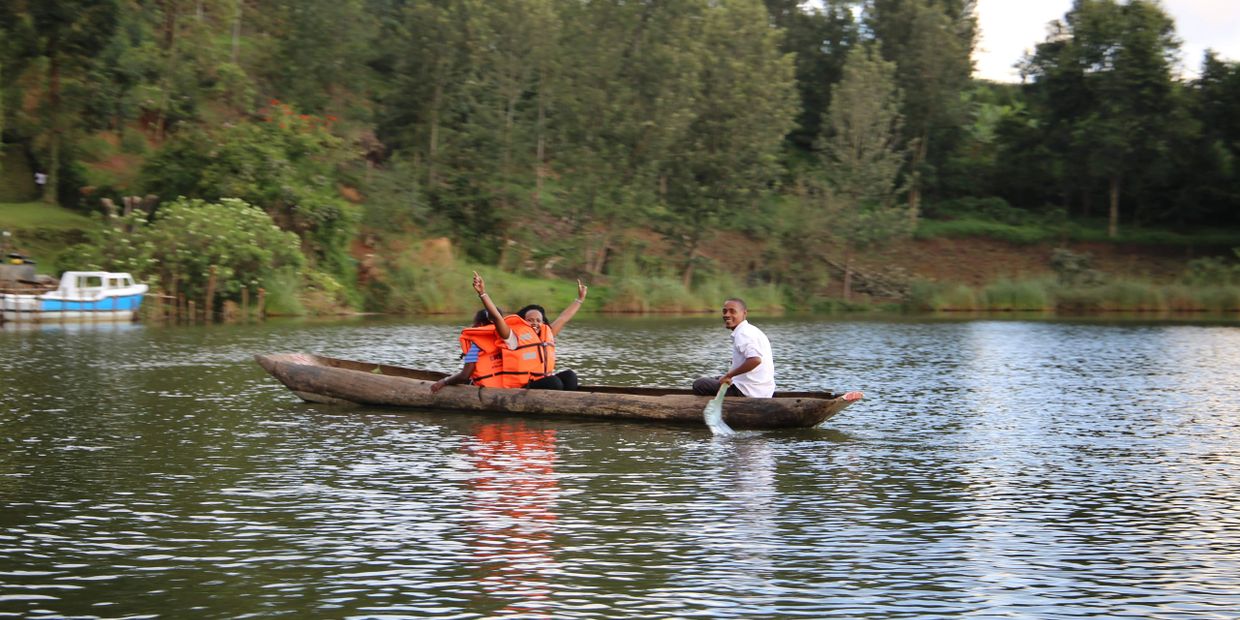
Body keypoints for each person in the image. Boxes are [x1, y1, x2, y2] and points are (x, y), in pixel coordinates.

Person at [473, 271, 587, 390]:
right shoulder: (512, 337)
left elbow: (563, 318)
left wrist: (580, 299)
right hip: (524, 387)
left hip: (543, 382)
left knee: (570, 376)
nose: (535, 323)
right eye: (530, 320)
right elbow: (497, 318)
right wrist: (482, 293)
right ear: (523, 321)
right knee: (554, 382)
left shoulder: (546, 333)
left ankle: (567, 405)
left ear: (542, 322)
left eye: (538, 320)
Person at [692, 298, 776, 398]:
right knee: (717, 378)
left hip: (748, 392)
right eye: (724, 311)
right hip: (762, 391)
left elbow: (755, 360)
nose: (727, 315)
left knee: (699, 384)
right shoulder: (750, 330)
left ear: (744, 313)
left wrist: (728, 376)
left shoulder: (743, 333)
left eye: (732, 311)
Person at [430, 306, 512, 393]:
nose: (472, 326)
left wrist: (444, 381)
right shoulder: (510, 339)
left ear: (480, 325)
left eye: (474, 324)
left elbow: (464, 376)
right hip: (511, 386)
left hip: (488, 390)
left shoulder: (476, 346)